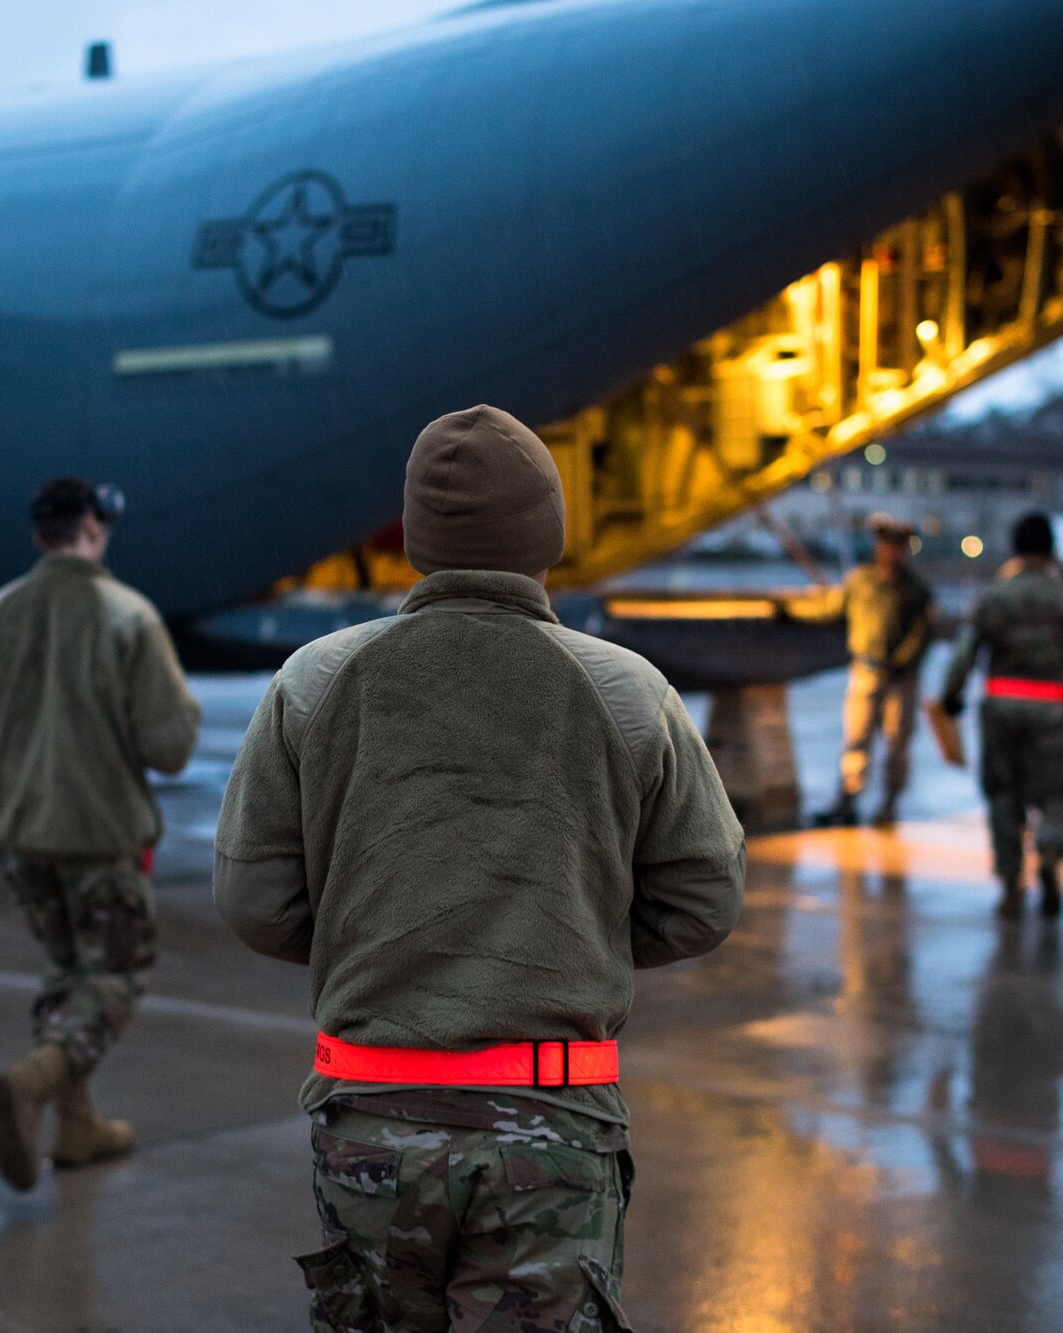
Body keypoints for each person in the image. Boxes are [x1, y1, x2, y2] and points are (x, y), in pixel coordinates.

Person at [214, 405, 747, 1331]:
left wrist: (374, 932)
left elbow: (256, 898)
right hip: (551, 1122)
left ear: (419, 536)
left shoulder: (312, 680)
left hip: (369, 1109)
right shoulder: (629, 691)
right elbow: (705, 898)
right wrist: (568, 931)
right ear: (549, 532)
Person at [0, 477, 201, 1191]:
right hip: (100, 835)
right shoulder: (128, 617)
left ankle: (77, 1126)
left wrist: (13, 770)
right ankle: (35, 1081)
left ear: (37, 535)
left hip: (24, 838)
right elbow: (172, 742)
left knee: (65, 976)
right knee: (117, 974)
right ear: (93, 527)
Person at [936, 512, 1063, 919]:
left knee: (1004, 794)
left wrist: (951, 697)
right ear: (1052, 548)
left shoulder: (996, 595)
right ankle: (1050, 859)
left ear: (1015, 548)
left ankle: (1010, 880)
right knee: (1055, 793)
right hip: (1052, 705)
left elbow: (965, 651)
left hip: (1002, 706)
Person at [807, 513, 936, 828]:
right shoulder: (859, 580)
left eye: (899, 547)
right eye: (888, 545)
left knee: (897, 744)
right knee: (857, 738)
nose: (893, 552)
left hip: (901, 679)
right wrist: (792, 612)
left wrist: (902, 661)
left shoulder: (916, 589)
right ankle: (848, 799)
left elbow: (923, 632)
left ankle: (890, 803)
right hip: (866, 671)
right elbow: (831, 610)